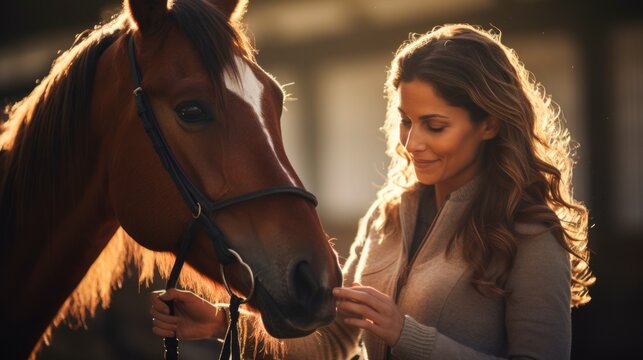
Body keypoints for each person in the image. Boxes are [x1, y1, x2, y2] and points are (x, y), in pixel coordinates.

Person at [149, 24, 594, 359]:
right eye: (406, 120)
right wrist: (219, 322)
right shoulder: (388, 214)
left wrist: (406, 334)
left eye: (434, 126)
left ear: (490, 124)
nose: (411, 142)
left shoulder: (532, 233)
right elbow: (334, 341)